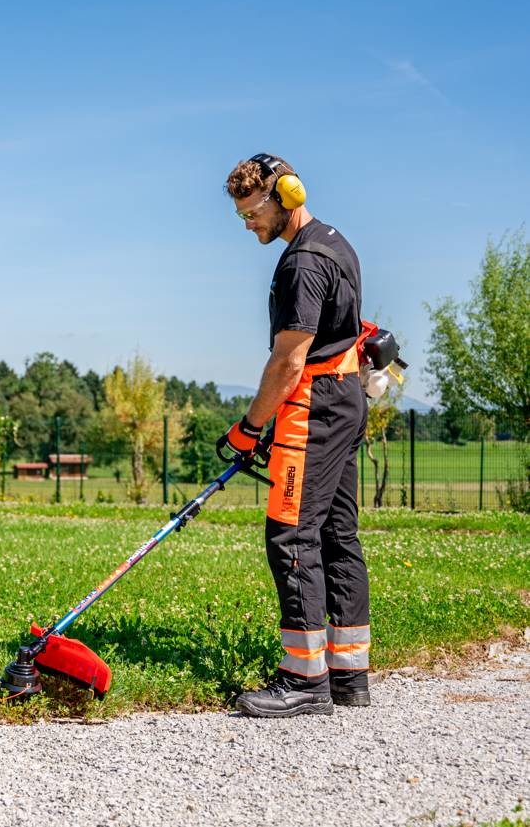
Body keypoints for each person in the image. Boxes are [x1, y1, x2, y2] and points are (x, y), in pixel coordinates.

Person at [218, 153, 371, 718]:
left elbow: (288, 359)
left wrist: (250, 427)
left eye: (252, 212)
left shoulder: (302, 264)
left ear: (286, 195)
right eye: (241, 216)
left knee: (290, 532)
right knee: (336, 532)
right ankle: (348, 673)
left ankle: (304, 679)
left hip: (314, 405)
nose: (249, 225)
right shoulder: (336, 243)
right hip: (345, 396)